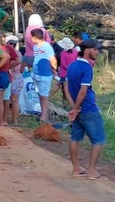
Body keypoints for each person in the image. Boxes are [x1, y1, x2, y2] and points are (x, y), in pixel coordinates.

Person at [66, 40, 106, 180]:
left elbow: (67, 87)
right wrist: (76, 108)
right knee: (99, 139)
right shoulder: (87, 68)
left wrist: (73, 107)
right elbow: (83, 91)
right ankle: (92, 171)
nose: (97, 52)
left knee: (75, 138)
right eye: (95, 49)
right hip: (88, 108)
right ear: (87, 50)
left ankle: (76, 168)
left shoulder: (72, 66)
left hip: (77, 108)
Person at [0, 32, 17, 127]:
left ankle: (0, 121)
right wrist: (8, 66)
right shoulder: (8, 48)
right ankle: (1, 120)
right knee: (4, 99)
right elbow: (17, 60)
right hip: (6, 74)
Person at [30, 27, 57, 124]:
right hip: (36, 73)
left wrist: (54, 70)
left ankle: (44, 117)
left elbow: (53, 60)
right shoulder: (35, 47)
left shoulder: (47, 46)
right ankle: (43, 113)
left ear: (34, 37)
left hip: (45, 74)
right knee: (39, 94)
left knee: (44, 95)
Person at [2, 34, 23, 125]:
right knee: (15, 101)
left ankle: (4, 119)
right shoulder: (19, 53)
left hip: (10, 77)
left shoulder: (8, 53)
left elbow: (17, 62)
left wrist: (8, 67)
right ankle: (15, 121)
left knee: (5, 99)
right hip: (18, 78)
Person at [56, 37, 78, 106]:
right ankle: (70, 102)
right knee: (71, 88)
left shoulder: (63, 53)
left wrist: (69, 68)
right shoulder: (75, 52)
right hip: (73, 73)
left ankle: (66, 102)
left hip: (64, 74)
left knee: (64, 89)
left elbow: (63, 64)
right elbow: (75, 61)